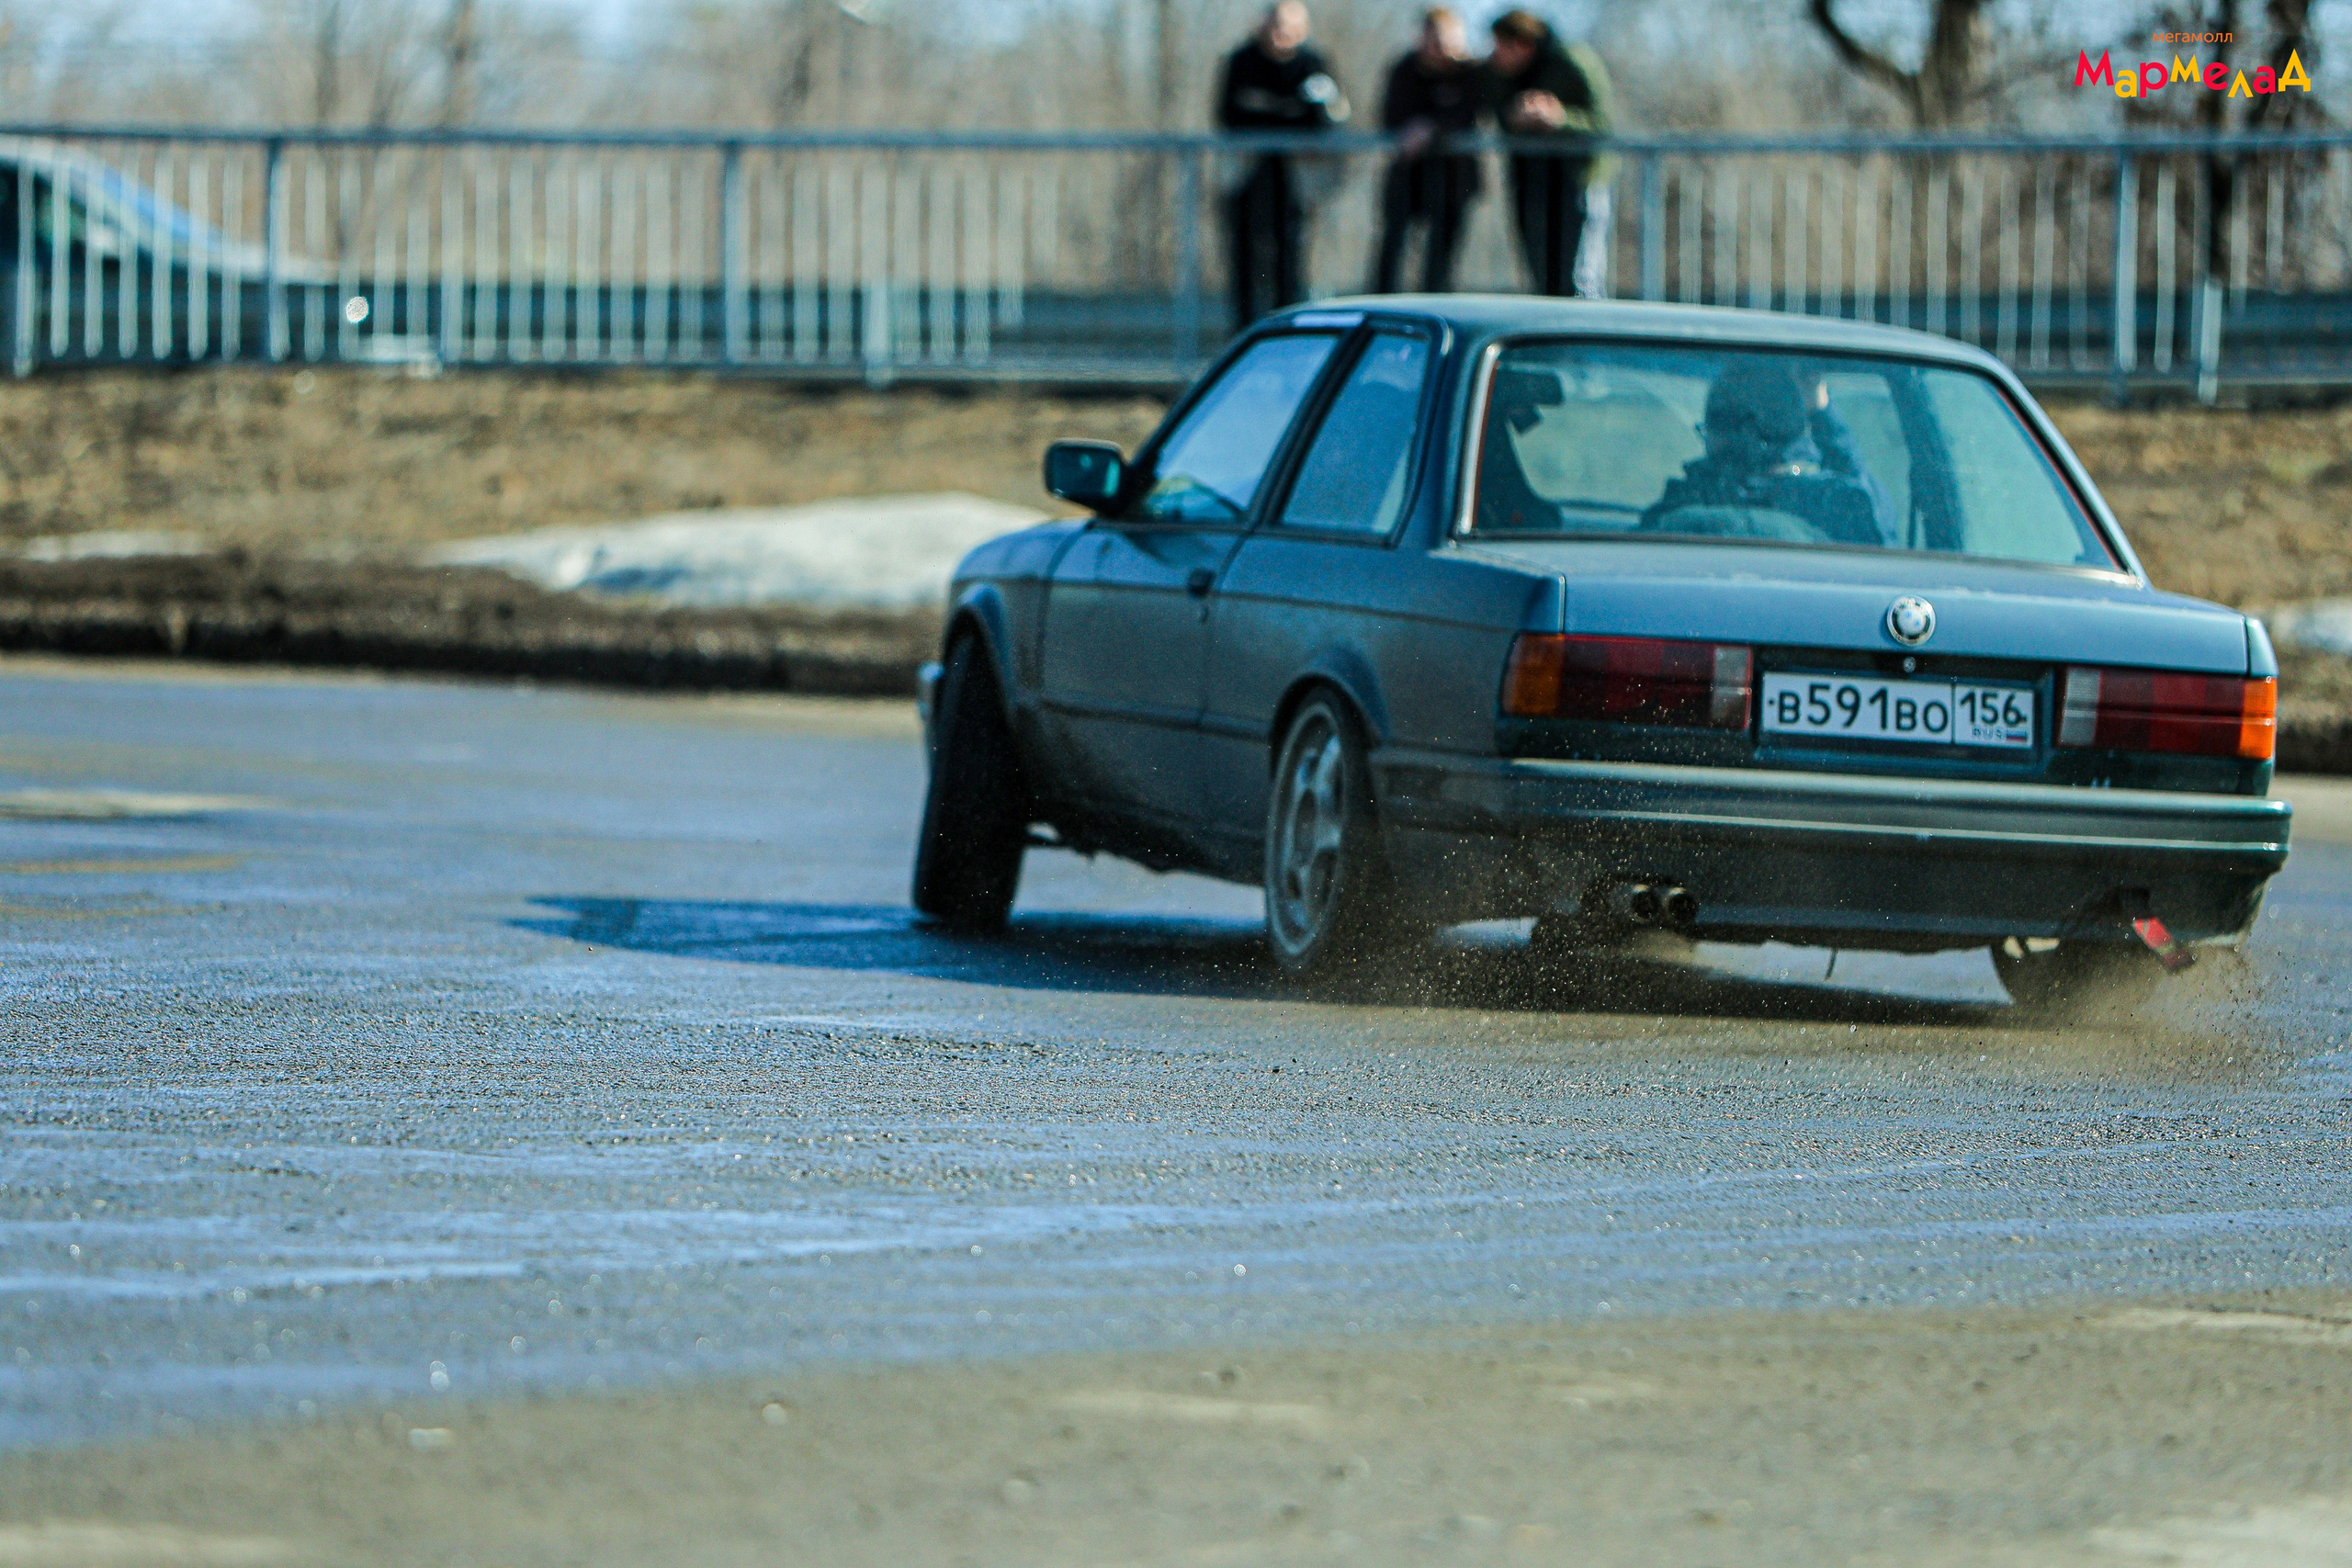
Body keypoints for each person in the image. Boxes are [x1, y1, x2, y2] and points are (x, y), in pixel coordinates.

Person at [1639, 358, 1902, 547]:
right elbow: (1876, 526)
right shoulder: (1829, 501)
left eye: (1713, 426)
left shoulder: (1686, 501)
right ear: (1790, 426)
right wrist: (1821, 410)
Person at [1216, 2, 1349, 328]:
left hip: (1295, 181)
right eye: (1276, 25)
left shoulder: (1314, 63)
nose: (1281, 34)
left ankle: (1288, 332)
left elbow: (1327, 117)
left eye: (1290, 27)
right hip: (1247, 177)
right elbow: (1232, 116)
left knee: (1290, 261)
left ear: (1303, 29)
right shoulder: (1241, 61)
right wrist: (1290, 113)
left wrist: (1271, 112)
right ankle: (1243, 335)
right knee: (1246, 261)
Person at [1481, 10, 1615, 299]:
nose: (1496, 54)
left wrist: (1559, 118)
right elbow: (1496, 113)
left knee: (1581, 280)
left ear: (1524, 44)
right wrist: (1515, 116)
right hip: (1531, 184)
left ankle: (1583, 339)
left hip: (1579, 181)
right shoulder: (1496, 72)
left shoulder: (1571, 60)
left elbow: (1603, 125)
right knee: (1541, 278)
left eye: (1502, 46)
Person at [1371, 7, 1481, 295]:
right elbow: (1390, 116)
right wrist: (1411, 130)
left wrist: (1433, 128)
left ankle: (1438, 306)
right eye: (1432, 40)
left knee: (1441, 258)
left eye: (1445, 41)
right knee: (1392, 248)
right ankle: (1384, 305)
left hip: (1454, 180)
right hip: (1408, 174)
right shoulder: (1404, 69)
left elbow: (1469, 115)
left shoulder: (1470, 72)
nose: (1438, 48)